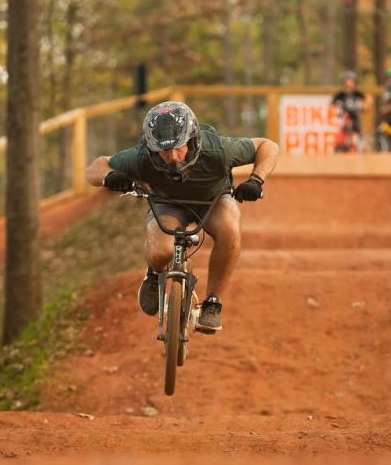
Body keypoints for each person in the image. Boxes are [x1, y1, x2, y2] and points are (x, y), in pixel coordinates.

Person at [85, 101, 279, 333]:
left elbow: (268, 146)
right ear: (151, 147)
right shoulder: (141, 157)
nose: (173, 156)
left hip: (212, 201)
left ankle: (212, 303)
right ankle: (154, 273)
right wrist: (110, 177)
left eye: (179, 147)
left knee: (230, 229)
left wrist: (256, 179)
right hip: (167, 204)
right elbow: (96, 167)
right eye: (164, 151)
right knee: (160, 252)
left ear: (193, 138)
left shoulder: (218, 150)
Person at [331, 71, 365, 152]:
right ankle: (343, 146)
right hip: (344, 118)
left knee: (359, 134)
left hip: (355, 117)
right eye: (348, 80)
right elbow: (332, 105)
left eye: (351, 80)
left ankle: (361, 147)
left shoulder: (358, 93)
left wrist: (364, 107)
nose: (349, 83)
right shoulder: (340, 94)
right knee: (343, 133)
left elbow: (367, 100)